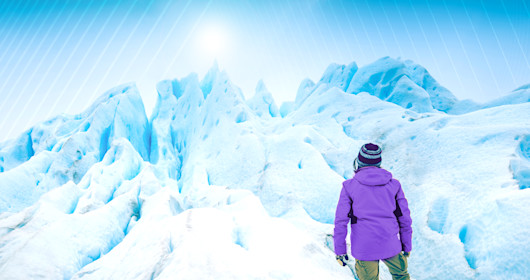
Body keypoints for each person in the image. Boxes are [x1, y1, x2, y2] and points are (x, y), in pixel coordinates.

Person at [333, 143, 412, 280]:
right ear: (379, 162)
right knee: (401, 276)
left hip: (364, 248)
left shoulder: (349, 187)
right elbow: (404, 218)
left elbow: (341, 221)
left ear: (358, 162)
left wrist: (340, 251)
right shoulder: (394, 185)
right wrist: (406, 245)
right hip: (391, 244)